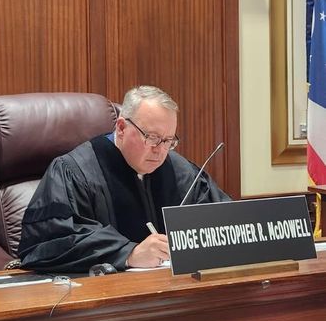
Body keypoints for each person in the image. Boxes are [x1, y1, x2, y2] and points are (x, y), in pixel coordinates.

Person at [18, 85, 229, 273]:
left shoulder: (180, 171)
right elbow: (50, 242)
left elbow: (223, 222)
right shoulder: (74, 171)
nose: (160, 151)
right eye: (152, 137)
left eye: (168, 141)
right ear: (121, 128)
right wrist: (129, 253)